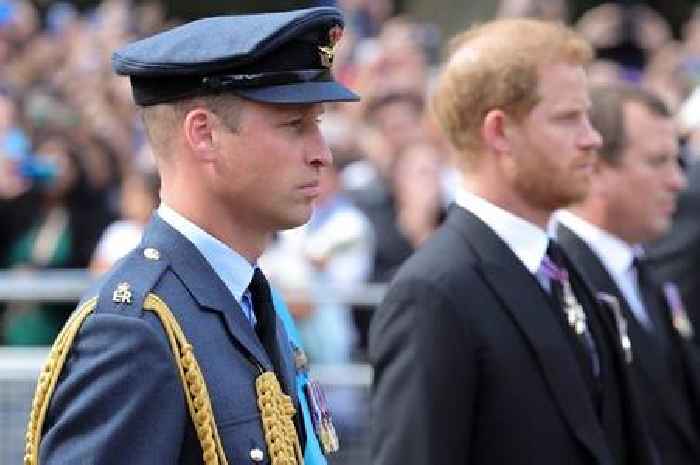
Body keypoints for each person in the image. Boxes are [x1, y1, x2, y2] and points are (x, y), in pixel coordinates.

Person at [24, 7, 358, 465]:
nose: (322, 154)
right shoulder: (135, 332)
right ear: (204, 135)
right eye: (294, 125)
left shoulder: (246, 296)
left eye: (317, 125)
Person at [370, 18, 657, 465]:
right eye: (568, 119)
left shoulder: (563, 270)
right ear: (499, 132)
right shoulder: (435, 293)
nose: (592, 139)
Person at [555, 83, 700, 464]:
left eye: (676, 160)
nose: (677, 181)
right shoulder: (561, 279)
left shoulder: (641, 272)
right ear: (598, 170)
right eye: (657, 162)